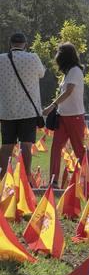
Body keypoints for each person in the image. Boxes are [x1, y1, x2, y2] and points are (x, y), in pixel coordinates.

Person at [1, 32, 46, 180]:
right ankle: (25, 177)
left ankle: (2, 176)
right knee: (26, 145)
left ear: (11, 44)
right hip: (28, 109)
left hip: (7, 110)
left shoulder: (1, 59)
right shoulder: (33, 58)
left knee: (7, 145)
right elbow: (42, 74)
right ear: (25, 44)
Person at [46, 43, 87, 189]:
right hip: (63, 116)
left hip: (75, 116)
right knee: (56, 147)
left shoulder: (75, 71)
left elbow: (68, 91)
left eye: (58, 52)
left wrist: (52, 106)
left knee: (79, 150)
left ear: (65, 56)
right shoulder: (67, 73)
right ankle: (53, 181)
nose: (56, 56)